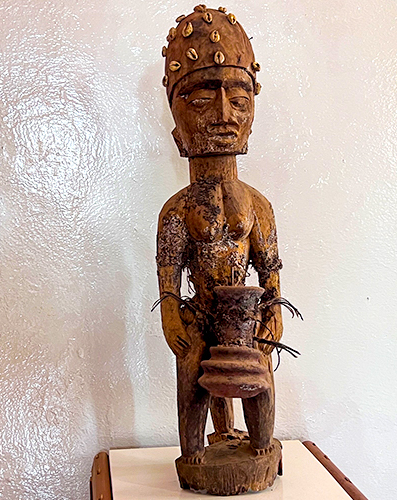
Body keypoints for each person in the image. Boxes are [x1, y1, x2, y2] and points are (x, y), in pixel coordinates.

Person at [156, 5, 283, 465]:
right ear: (177, 124)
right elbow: (169, 279)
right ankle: (193, 453)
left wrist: (273, 312)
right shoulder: (177, 210)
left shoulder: (258, 205)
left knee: (258, 374)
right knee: (192, 370)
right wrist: (172, 318)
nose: (225, 114)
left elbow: (269, 272)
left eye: (240, 100)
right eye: (202, 100)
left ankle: (261, 446)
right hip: (199, 316)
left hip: (246, 317)